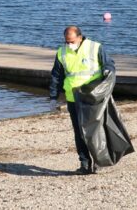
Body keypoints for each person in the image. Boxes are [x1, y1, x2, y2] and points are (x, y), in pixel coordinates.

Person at [50, 25, 119, 175]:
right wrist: (53, 96)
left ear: (80, 37)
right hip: (73, 98)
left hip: (92, 96)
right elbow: (56, 75)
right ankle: (85, 164)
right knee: (79, 132)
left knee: (94, 130)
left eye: (72, 41)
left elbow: (109, 64)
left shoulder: (95, 47)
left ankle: (98, 161)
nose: (69, 44)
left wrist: (108, 71)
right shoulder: (62, 52)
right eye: (66, 41)